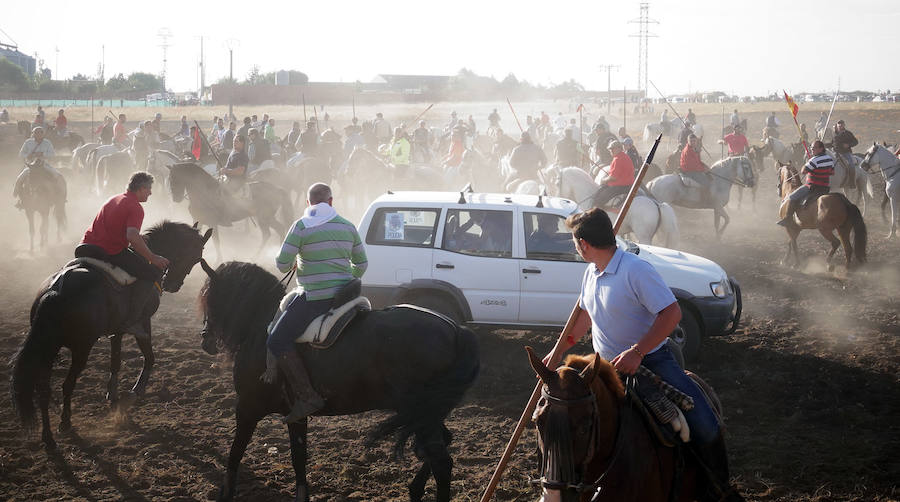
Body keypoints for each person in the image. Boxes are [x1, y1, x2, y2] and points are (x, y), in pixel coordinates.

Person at [542, 207, 728, 496]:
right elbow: (582, 317)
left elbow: (671, 312)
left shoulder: (636, 270)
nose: (576, 248)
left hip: (651, 361)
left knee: (705, 424)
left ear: (584, 244)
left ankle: (720, 491)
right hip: (602, 369)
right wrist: (557, 351)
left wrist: (638, 352)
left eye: (575, 242)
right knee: (564, 420)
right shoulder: (591, 273)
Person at [270, 182, 368, 422]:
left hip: (315, 297)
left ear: (308, 203)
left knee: (277, 339)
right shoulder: (348, 226)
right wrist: (345, 277)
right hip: (347, 297)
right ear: (331, 202)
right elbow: (362, 265)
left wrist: (297, 259)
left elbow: (282, 265)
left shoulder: (301, 227)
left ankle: (307, 396)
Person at [80, 172, 169, 341]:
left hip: (86, 246)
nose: (150, 193)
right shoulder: (136, 207)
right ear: (141, 189)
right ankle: (131, 321)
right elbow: (131, 236)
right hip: (108, 251)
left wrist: (136, 237)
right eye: (149, 189)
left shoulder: (114, 198)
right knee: (151, 273)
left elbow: (117, 227)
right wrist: (153, 257)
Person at [777, 140, 834, 226]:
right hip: (825, 187)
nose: (812, 150)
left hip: (812, 187)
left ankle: (788, 219)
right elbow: (832, 172)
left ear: (821, 149)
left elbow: (803, 171)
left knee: (792, 197)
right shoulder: (829, 159)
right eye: (811, 148)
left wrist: (808, 162)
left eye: (814, 148)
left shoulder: (814, 160)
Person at [15, 126, 66, 206]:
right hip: (31, 166)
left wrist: (43, 154)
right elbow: (21, 154)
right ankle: (19, 199)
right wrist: (30, 155)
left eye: (40, 132)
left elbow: (52, 154)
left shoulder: (47, 142)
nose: (38, 134)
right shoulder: (28, 142)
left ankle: (60, 197)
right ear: (33, 134)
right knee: (19, 178)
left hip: (44, 165)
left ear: (43, 134)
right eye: (36, 133)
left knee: (59, 176)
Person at [593, 140, 635, 207]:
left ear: (619, 148)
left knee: (598, 200)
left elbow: (613, 178)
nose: (611, 151)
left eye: (613, 148)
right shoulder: (624, 156)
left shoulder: (617, 159)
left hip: (620, 187)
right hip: (629, 185)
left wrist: (603, 180)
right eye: (610, 149)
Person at [680, 134, 712, 201]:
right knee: (707, 182)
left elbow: (697, 161)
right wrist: (704, 169)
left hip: (692, 169)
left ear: (696, 141)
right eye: (691, 141)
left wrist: (705, 166)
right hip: (689, 171)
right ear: (688, 141)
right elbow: (693, 165)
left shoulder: (692, 148)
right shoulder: (688, 151)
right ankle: (704, 199)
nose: (693, 142)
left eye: (694, 141)